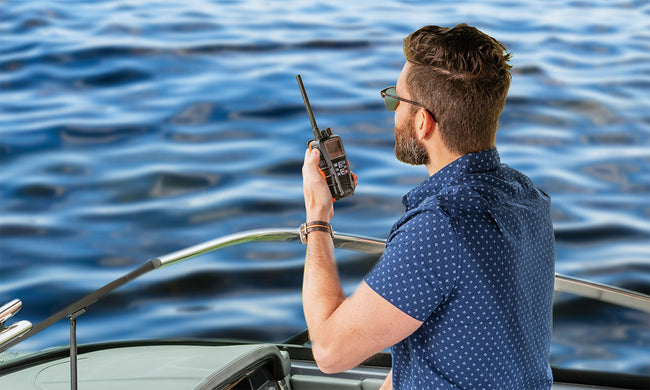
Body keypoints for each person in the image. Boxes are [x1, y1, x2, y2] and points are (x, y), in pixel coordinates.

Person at [301, 23, 555, 390]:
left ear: (423, 123)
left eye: (395, 100)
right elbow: (456, 338)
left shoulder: (440, 227)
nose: (392, 110)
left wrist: (317, 216)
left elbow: (328, 351)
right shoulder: (528, 196)